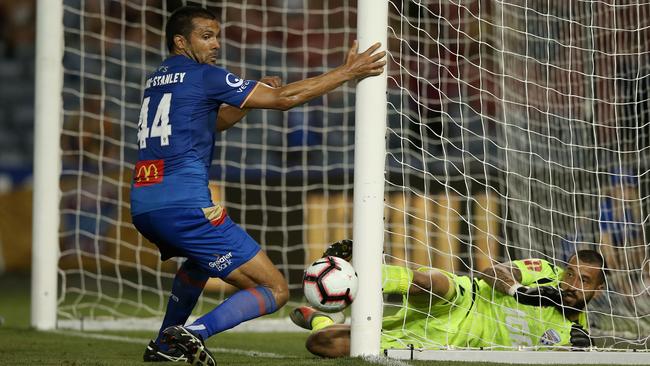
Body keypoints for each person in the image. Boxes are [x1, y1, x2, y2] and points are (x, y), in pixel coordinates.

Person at [129, 6, 386, 365]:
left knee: (200, 262)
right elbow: (284, 100)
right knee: (274, 289)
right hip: (184, 205)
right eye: (206, 36)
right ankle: (192, 335)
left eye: (217, 35)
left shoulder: (158, 79)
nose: (216, 43)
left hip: (144, 204)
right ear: (180, 40)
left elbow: (212, 122)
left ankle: (165, 344)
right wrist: (348, 71)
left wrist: (248, 100)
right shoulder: (205, 75)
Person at [291, 240, 607, 357]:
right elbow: (492, 272)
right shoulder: (546, 272)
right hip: (467, 299)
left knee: (324, 344)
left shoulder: (575, 337)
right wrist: (518, 291)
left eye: (584, 281)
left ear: (599, 290)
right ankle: (355, 275)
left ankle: (322, 317)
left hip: (458, 338)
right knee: (429, 283)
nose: (571, 284)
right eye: (570, 274)